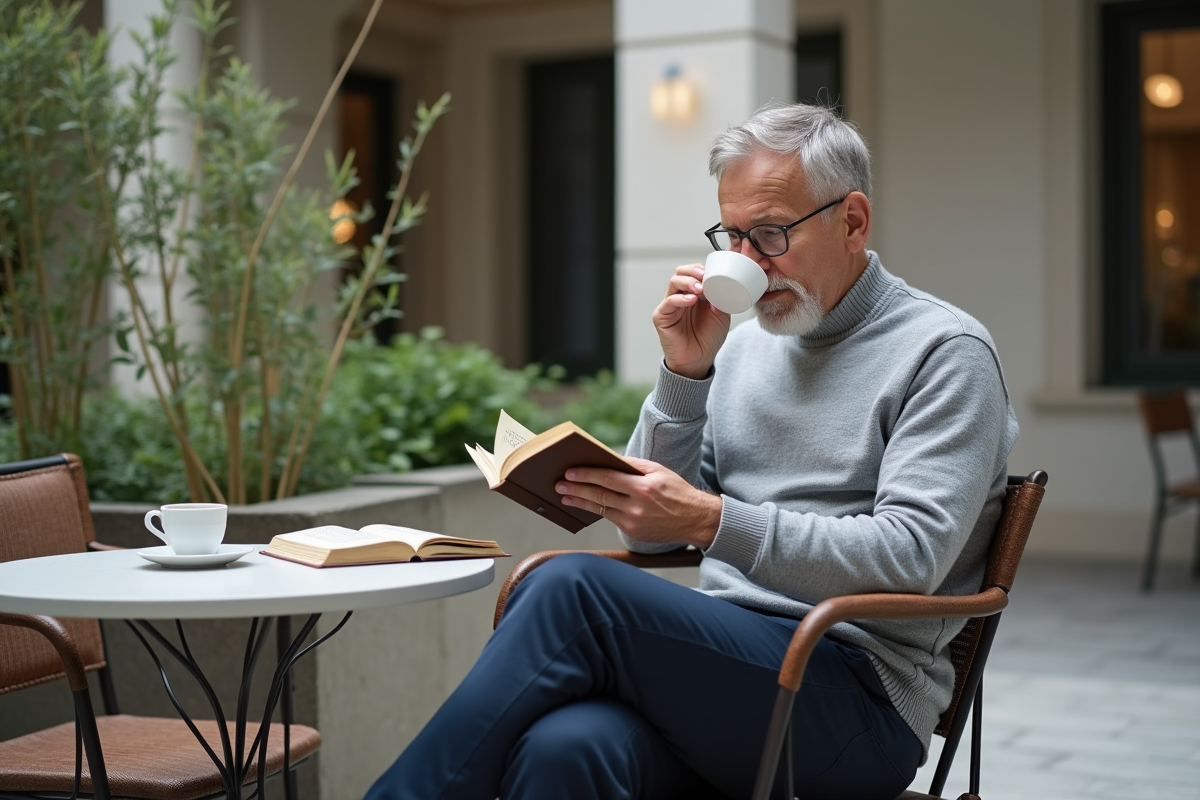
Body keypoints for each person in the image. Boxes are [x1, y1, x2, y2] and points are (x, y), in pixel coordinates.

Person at [363, 102, 1018, 800]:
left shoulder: (945, 353)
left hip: (854, 699)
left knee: (572, 591)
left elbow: (908, 558)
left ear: (853, 221)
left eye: (768, 234)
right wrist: (685, 374)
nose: (742, 263)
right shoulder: (747, 348)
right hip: (728, 668)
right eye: (730, 235)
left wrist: (709, 522)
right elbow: (647, 542)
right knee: (566, 750)